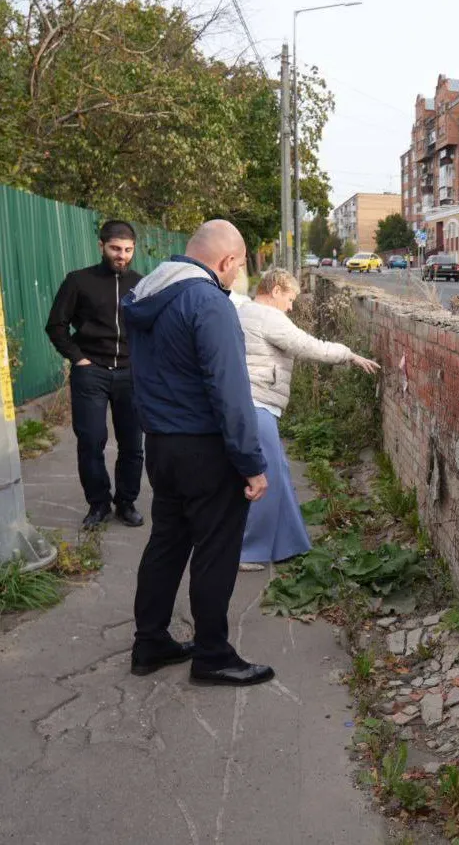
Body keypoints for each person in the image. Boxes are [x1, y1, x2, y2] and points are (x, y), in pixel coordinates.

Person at [121, 219, 273, 686]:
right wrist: (251, 463)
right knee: (215, 551)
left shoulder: (147, 291)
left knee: (167, 541)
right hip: (205, 449)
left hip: (161, 445)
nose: (237, 276)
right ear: (226, 261)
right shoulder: (208, 302)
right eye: (239, 266)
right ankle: (212, 655)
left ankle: (150, 642)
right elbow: (230, 394)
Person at [236, 268, 379, 569]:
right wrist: (348, 355)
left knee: (280, 471)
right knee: (267, 476)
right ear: (275, 290)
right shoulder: (268, 317)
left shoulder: (245, 310)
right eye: (289, 299)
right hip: (257, 403)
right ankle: (247, 550)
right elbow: (307, 345)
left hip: (252, 402)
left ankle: (289, 542)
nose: (290, 307)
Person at [45, 220, 145, 529]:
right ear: (101, 246)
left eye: (128, 250)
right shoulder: (78, 281)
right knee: (91, 440)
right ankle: (98, 504)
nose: (122, 256)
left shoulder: (142, 285)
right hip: (92, 372)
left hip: (130, 373)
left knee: (132, 443)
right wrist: (77, 358)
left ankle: (126, 503)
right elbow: (56, 325)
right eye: (116, 248)